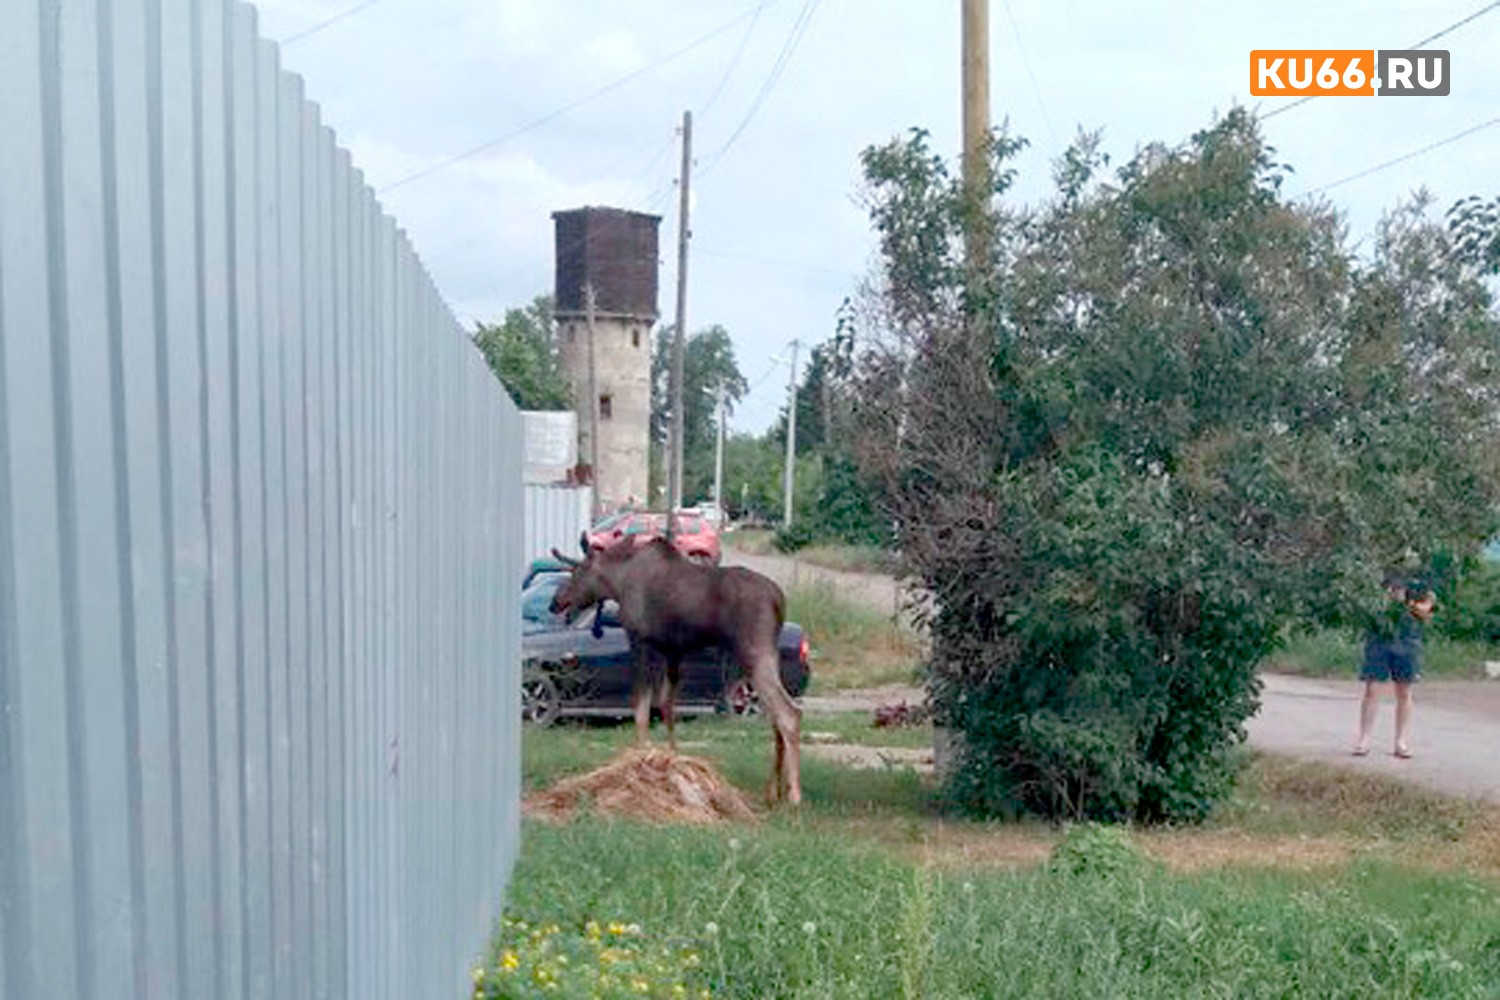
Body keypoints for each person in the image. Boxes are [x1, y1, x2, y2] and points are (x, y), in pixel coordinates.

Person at [1354, 578, 1435, 759]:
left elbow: (1427, 609)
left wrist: (1406, 602)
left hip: (1408, 639)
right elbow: (1364, 604)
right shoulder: (1378, 570)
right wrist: (1385, 599)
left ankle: (1401, 741)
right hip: (1379, 638)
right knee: (1372, 688)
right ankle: (1364, 739)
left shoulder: (1420, 580)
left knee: (1404, 691)